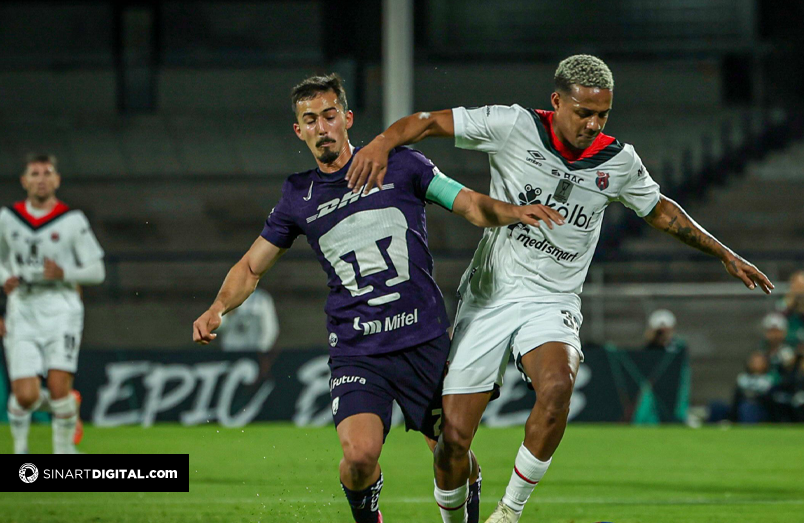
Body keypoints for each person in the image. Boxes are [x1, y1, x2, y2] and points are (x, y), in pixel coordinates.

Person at [347, 54, 774, 523]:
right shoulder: (512, 126)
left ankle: (509, 513)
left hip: (553, 301)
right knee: (453, 442)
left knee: (557, 387)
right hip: (489, 296)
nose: (593, 124)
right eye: (584, 112)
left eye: (602, 114)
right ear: (557, 101)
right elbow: (428, 124)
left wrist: (725, 254)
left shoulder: (619, 161)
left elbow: (663, 212)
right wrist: (382, 143)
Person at [191, 74, 563, 523]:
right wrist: (217, 308)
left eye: (330, 116)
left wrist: (511, 212)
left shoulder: (403, 164)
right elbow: (252, 266)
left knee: (453, 450)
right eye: (310, 120)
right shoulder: (297, 196)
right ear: (299, 131)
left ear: (347, 119)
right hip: (358, 350)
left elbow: (465, 202)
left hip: (423, 340)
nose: (322, 127)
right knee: (359, 457)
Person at [1, 153, 106, 454]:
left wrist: (65, 273)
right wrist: (4, 278)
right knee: (25, 397)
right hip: (22, 307)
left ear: (57, 180)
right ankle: (60, 416)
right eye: (34, 174)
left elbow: (97, 271)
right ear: (24, 181)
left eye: (47, 173)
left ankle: (61, 454)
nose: (41, 179)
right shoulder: (8, 218)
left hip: (61, 307)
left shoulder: (72, 220)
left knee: (59, 387)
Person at [216, 288, 279, 352]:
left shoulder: (262, 298)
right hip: (231, 352)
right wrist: (226, 314)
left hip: (254, 352)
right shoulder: (226, 297)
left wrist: (261, 350)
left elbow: (270, 329)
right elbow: (217, 327)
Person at [730, 351, 775, 423]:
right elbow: (736, 398)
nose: (756, 364)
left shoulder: (769, 379)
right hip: (742, 407)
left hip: (761, 409)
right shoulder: (743, 378)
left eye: (759, 362)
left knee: (748, 407)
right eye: (754, 362)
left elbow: (770, 400)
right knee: (717, 406)